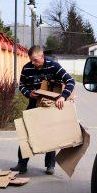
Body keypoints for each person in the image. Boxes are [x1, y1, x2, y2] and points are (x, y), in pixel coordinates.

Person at [10, 45, 76, 175]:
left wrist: (63, 97)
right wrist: (29, 93)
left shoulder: (54, 66)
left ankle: (50, 166)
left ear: (42, 56)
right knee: (26, 133)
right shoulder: (27, 68)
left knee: (49, 134)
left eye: (35, 60)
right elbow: (21, 85)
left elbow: (70, 81)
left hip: (50, 105)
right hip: (34, 103)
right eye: (31, 60)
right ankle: (22, 164)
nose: (33, 63)